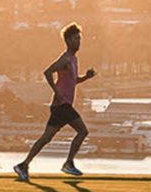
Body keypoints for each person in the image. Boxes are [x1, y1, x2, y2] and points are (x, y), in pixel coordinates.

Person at [12, 22, 97, 182]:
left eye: (80, 39)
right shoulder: (65, 59)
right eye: (76, 39)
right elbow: (48, 72)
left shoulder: (74, 59)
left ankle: (23, 165)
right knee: (82, 131)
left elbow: (72, 81)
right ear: (68, 41)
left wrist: (86, 77)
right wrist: (56, 91)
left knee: (46, 138)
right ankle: (68, 163)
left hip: (61, 106)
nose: (78, 42)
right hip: (62, 105)